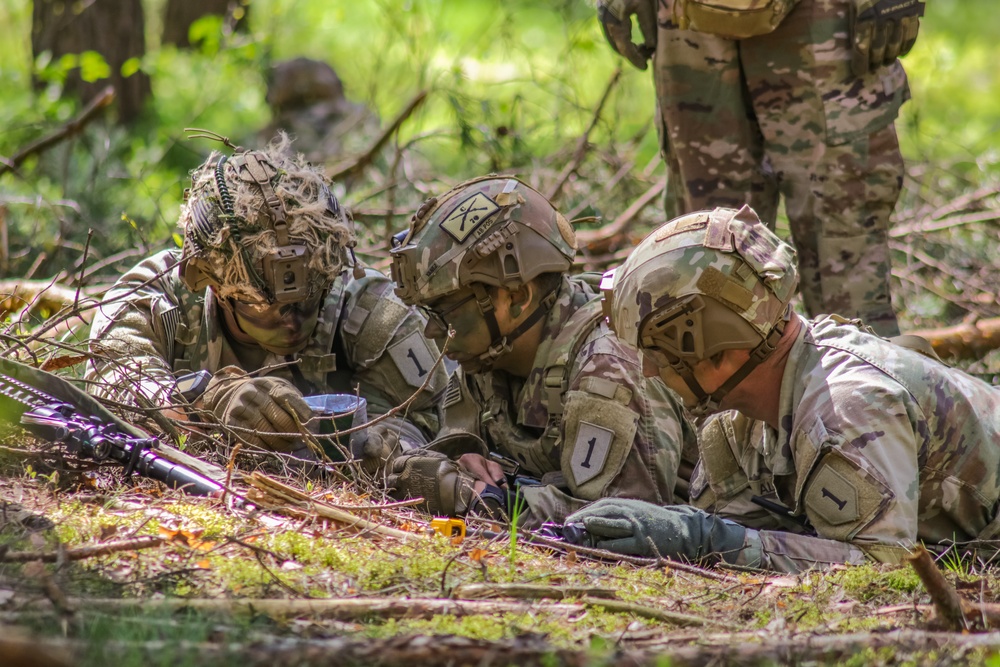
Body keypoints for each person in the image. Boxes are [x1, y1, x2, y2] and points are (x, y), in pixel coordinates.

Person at [567, 206, 1000, 572]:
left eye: (656, 352)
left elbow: (881, 567)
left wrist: (709, 540)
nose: (651, 371)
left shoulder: (846, 406)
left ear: (703, 341)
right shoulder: (741, 421)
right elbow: (747, 534)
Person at [86, 135, 448, 462]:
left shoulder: (371, 311)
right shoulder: (155, 297)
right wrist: (211, 402)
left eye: (311, 299)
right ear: (214, 283)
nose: (292, 321)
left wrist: (382, 453)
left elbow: (425, 422)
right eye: (264, 305)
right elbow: (114, 388)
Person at [596, 0, 925, 337]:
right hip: (690, 25)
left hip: (825, 23)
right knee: (708, 272)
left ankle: (867, 386)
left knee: (850, 272)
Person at [385, 175, 697, 527]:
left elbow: (627, 525)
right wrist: (455, 464)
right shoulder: (489, 355)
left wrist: (492, 504)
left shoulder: (607, 370)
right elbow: (459, 447)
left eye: (445, 312)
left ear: (517, 296)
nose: (432, 331)